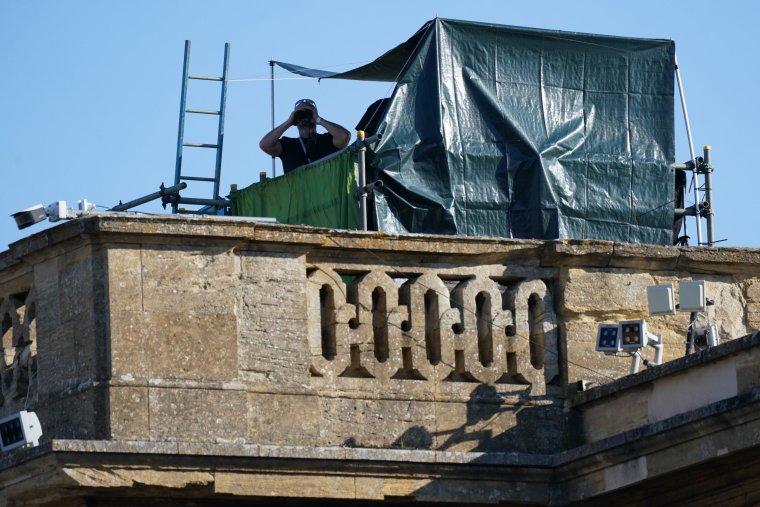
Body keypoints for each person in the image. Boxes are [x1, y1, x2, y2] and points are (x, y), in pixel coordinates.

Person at [259, 98, 351, 174]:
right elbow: (265, 144)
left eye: (308, 114)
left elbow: (344, 137)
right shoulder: (288, 145)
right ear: (296, 120)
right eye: (300, 115)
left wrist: (318, 119)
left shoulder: (328, 140)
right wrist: (289, 122)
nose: (305, 118)